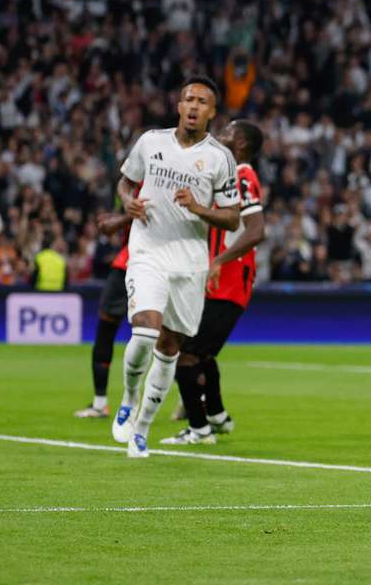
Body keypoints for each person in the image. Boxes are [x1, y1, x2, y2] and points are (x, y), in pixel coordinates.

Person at [111, 75, 240, 458]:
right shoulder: (151, 142)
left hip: (190, 263)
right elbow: (124, 183)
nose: (194, 106)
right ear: (179, 106)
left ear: (212, 112)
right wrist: (126, 202)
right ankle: (128, 400)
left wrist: (200, 208)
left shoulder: (220, 158)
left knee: (169, 348)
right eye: (189, 99)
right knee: (146, 332)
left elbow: (233, 219)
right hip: (148, 251)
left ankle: (142, 430)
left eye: (202, 101)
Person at [161, 120, 266, 445]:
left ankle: (199, 429)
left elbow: (255, 230)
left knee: (186, 354)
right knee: (202, 353)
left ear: (243, 145)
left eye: (229, 132)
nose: (220, 134)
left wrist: (218, 260)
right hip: (218, 276)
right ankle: (217, 416)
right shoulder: (225, 177)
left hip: (229, 278)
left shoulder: (243, 174)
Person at [74, 212, 135, 418]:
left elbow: (110, 226)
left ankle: (100, 403)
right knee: (166, 337)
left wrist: (119, 218)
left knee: (106, 330)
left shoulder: (142, 184)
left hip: (131, 263)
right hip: (164, 263)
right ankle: (192, 401)